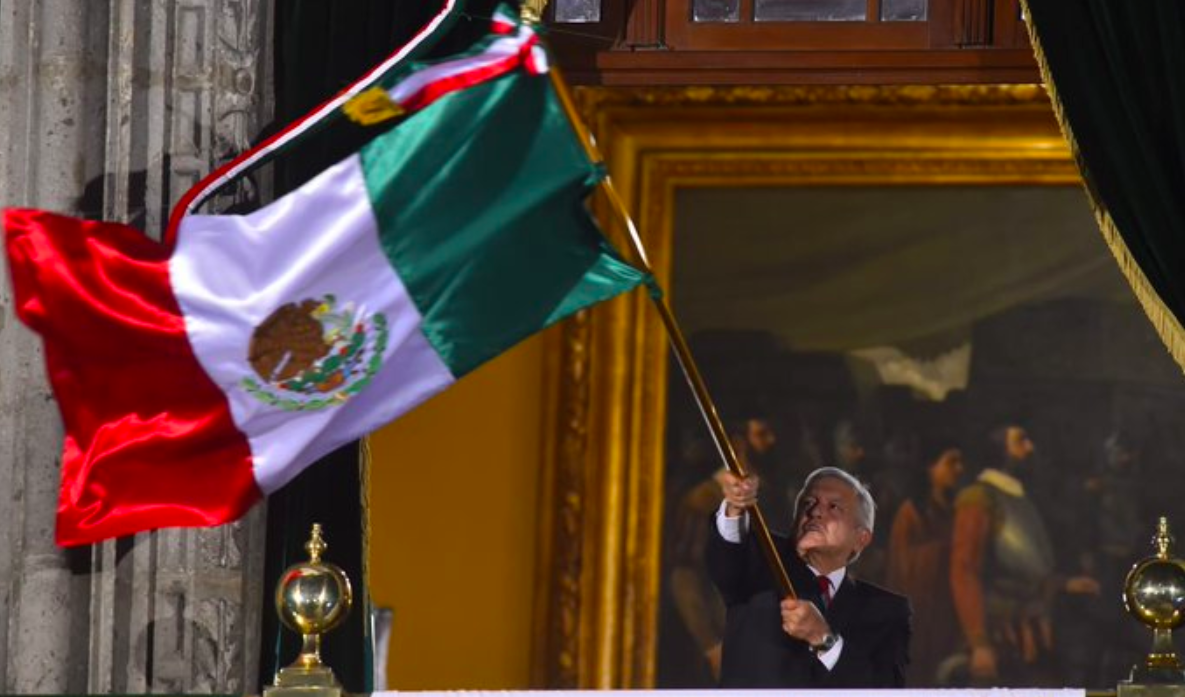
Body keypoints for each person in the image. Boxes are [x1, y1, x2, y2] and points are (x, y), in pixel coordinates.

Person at [707, 466, 911, 688]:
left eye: (833, 506)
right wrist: (736, 507)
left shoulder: (888, 610)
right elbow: (729, 556)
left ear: (861, 538)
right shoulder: (761, 556)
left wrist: (824, 640)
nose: (814, 512)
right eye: (808, 503)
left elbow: (885, 690)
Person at [949, 424, 1099, 686]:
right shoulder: (979, 498)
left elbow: (1023, 567)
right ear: (998, 448)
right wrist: (979, 642)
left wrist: (1065, 583)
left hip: (1032, 626)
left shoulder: (1019, 498)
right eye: (1020, 441)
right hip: (1000, 631)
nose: (1030, 448)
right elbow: (964, 570)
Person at [665, 415, 781, 682]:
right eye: (762, 435)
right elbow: (683, 579)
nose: (772, 442)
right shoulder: (702, 501)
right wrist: (712, 646)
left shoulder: (772, 499)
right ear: (737, 444)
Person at [887, 439, 964, 685]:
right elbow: (903, 566)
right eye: (951, 462)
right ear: (931, 468)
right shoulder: (911, 512)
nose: (959, 469)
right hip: (922, 612)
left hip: (952, 607)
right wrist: (948, 550)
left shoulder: (958, 509)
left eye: (961, 462)